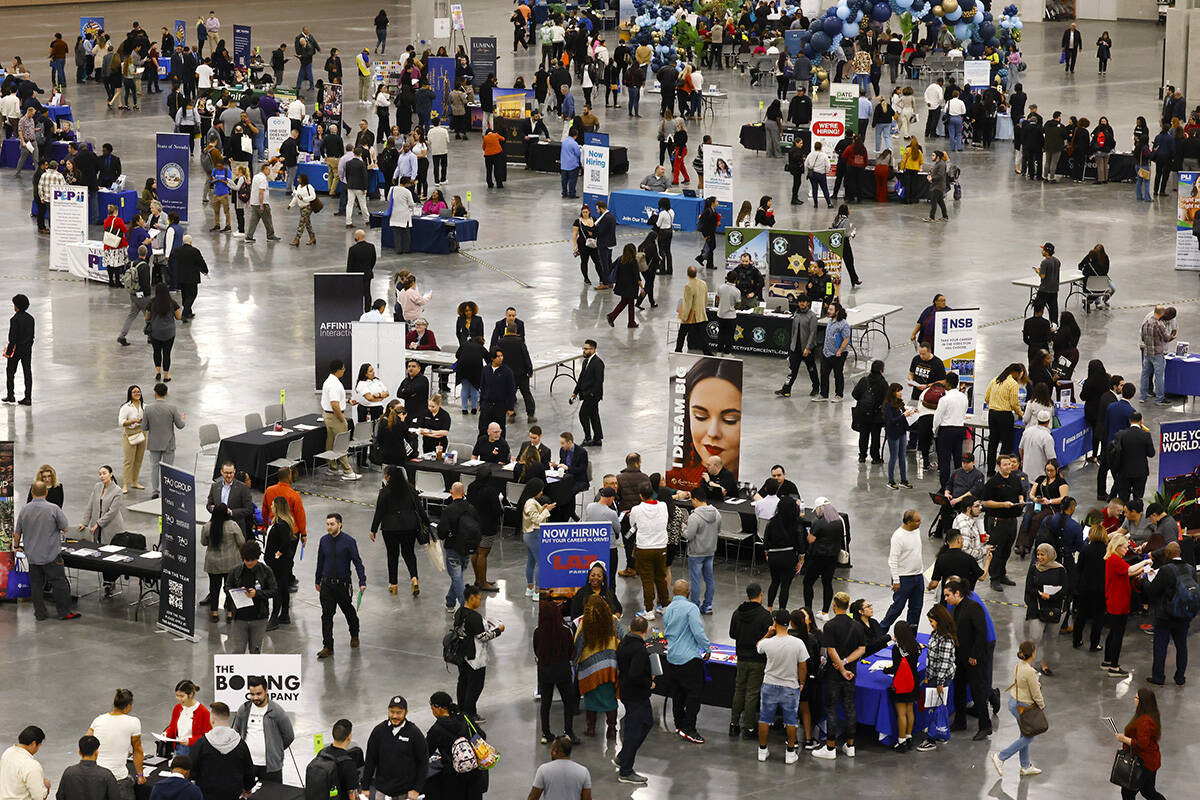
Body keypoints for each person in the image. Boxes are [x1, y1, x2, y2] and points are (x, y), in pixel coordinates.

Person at [13, 481, 77, 621]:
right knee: (59, 584)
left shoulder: (24, 510)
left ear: (31, 492)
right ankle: (64, 612)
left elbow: (17, 533)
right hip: (51, 555)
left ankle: (40, 613)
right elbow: (65, 528)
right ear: (46, 492)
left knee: (36, 585)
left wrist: (16, 546)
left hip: (32, 556)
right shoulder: (53, 509)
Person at [813, 592, 865, 760]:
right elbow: (862, 649)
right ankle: (850, 746)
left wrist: (841, 667)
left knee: (831, 709)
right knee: (850, 707)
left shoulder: (830, 626)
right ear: (848, 606)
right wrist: (846, 662)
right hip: (851, 672)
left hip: (834, 675)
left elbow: (830, 649)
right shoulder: (857, 626)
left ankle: (830, 747)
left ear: (834, 605)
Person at [754, 608, 809, 764]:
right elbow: (802, 666)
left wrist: (768, 633)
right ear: (789, 623)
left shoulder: (768, 643)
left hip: (769, 685)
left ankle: (762, 751)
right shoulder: (798, 643)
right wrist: (802, 682)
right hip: (790, 686)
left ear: (775, 622)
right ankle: (790, 753)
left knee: (765, 719)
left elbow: (758, 646)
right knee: (791, 720)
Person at [662, 579, 711, 743]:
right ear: (688, 592)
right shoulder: (691, 608)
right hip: (689, 659)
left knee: (677, 693)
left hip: (672, 657)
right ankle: (689, 728)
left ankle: (679, 724)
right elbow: (697, 631)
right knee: (693, 695)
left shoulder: (667, 609)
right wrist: (707, 648)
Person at [944, 578, 992, 740]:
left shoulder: (973, 607)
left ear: (957, 593)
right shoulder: (955, 608)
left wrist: (974, 655)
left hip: (973, 659)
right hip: (960, 658)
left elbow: (981, 633)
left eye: (947, 595)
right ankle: (960, 721)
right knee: (958, 689)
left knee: (978, 692)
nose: (946, 599)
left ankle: (985, 726)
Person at [990, 640, 1045, 777]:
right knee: (1029, 737)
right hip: (1024, 707)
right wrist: (1042, 706)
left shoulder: (1019, 666)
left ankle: (1025, 766)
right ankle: (1001, 757)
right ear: (1032, 654)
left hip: (1014, 702)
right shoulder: (1030, 672)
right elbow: (1035, 693)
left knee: (1024, 733)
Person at [315, 513, 366, 659]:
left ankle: (354, 634)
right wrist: (317, 580)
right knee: (326, 615)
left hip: (342, 585)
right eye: (327, 524)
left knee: (349, 612)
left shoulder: (349, 541)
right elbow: (320, 561)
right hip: (327, 585)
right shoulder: (323, 541)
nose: (329, 527)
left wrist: (362, 581)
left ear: (340, 524)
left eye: (332, 524)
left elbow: (357, 562)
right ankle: (327, 646)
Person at [361, 695, 427, 800]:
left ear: (406, 712)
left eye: (399, 712)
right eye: (392, 712)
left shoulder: (414, 733)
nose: (395, 716)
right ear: (388, 710)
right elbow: (370, 760)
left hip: (405, 792)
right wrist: (365, 787)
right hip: (382, 791)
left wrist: (416, 789)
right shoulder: (378, 731)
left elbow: (423, 762)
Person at [729, 582, 773, 738]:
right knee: (752, 693)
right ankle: (749, 727)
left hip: (741, 657)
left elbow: (732, 634)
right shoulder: (765, 616)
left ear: (747, 595)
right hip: (758, 660)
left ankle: (733, 724)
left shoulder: (737, 613)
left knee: (739, 689)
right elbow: (769, 640)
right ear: (761, 595)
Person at [424, 692, 487, 800]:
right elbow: (482, 736)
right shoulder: (465, 718)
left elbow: (425, 753)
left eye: (432, 709)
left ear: (438, 707)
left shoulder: (436, 729)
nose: (433, 712)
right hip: (474, 772)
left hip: (453, 777)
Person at [231, 677, 294, 784]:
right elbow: (236, 733)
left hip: (271, 768)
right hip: (248, 764)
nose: (255, 697)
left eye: (259, 694)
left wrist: (275, 749)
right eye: (252, 694)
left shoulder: (277, 712)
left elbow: (289, 736)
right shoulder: (244, 709)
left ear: (266, 691)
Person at [454, 584, 503, 719]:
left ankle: (462, 709)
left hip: (462, 655)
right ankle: (470, 714)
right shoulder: (474, 617)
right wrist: (499, 630)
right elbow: (483, 637)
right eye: (478, 598)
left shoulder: (459, 612)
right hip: (475, 658)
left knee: (463, 683)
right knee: (475, 687)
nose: (480, 601)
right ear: (471, 598)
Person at [534, 596, 578, 744]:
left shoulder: (538, 631)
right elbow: (571, 651)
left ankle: (545, 734)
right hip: (562, 671)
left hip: (545, 671)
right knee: (568, 701)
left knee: (546, 703)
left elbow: (536, 650)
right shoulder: (566, 631)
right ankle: (568, 732)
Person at [915, 604, 958, 751]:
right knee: (934, 706)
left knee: (936, 707)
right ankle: (935, 732)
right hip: (934, 677)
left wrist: (939, 683)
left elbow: (944, 663)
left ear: (939, 621)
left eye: (932, 622)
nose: (930, 625)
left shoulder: (946, 639)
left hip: (941, 679)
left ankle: (932, 738)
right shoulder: (936, 634)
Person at [190, 702, 254, 800]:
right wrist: (248, 789)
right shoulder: (241, 744)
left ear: (212, 719)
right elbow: (249, 771)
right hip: (233, 794)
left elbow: (191, 768)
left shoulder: (202, 743)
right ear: (228, 718)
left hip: (206, 794)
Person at [87, 689, 143, 800]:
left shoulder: (98, 720)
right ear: (128, 705)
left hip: (96, 777)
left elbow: (86, 743)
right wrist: (140, 775)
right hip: (119, 780)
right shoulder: (133, 722)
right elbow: (137, 750)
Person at [982, 453, 1025, 590]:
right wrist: (1002, 505)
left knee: (1007, 549)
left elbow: (1020, 492)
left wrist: (1020, 500)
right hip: (997, 521)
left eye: (1010, 464)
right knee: (996, 550)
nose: (1009, 466)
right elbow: (986, 502)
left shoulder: (1015, 479)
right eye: (1005, 464)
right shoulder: (993, 482)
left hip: (1012, 521)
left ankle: (1002, 574)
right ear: (999, 466)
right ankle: (994, 578)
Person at [225, 541, 276, 654]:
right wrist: (237, 592)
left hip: (259, 618)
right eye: (246, 560)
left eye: (252, 560)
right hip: (239, 617)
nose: (249, 563)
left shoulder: (266, 571)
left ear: (257, 558)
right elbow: (227, 587)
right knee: (238, 650)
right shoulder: (235, 571)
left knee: (255, 650)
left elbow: (274, 590)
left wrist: (257, 594)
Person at [1114, 689, 1165, 800]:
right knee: (1148, 791)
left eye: (1136, 698)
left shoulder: (1144, 721)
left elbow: (1142, 744)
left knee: (1128, 793)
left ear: (1142, 701)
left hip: (1142, 763)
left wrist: (1124, 739)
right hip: (1151, 761)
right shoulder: (1151, 713)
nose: (1134, 699)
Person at [879, 510, 926, 631]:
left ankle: (911, 636)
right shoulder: (898, 536)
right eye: (917, 521)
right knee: (897, 608)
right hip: (904, 578)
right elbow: (892, 560)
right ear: (909, 522)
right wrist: (896, 580)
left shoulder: (916, 530)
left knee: (916, 608)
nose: (920, 523)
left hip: (918, 576)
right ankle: (880, 631)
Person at [629, 485, 669, 617]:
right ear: (653, 494)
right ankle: (664, 606)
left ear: (641, 495)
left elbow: (632, 524)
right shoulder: (663, 506)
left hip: (644, 547)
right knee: (661, 578)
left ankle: (649, 610)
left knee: (647, 580)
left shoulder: (636, 509)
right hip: (661, 546)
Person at [682, 485, 720, 613]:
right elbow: (718, 530)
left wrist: (683, 528)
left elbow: (689, 535)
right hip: (710, 551)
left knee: (696, 580)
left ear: (696, 499)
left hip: (696, 553)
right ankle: (708, 605)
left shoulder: (694, 517)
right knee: (709, 579)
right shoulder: (717, 513)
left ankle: (694, 606)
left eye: (692, 500)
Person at [777, 297, 821, 398]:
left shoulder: (812, 316)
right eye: (800, 302)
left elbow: (813, 334)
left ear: (808, 303)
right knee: (792, 370)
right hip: (795, 348)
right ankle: (786, 390)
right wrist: (792, 345)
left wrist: (808, 348)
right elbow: (793, 331)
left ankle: (816, 387)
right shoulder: (796, 314)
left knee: (811, 369)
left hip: (807, 349)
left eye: (804, 302)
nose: (801, 304)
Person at [56, 735, 121, 800]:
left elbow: (60, 796)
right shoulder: (106, 775)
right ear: (96, 753)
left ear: (79, 752)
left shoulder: (69, 772)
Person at [1111, 413, 1156, 502]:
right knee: (1138, 498)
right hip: (1140, 472)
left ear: (1130, 421)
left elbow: (1115, 452)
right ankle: (1136, 514)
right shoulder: (1146, 435)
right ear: (1141, 421)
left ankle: (1122, 515)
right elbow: (1151, 454)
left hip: (1124, 472)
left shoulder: (1121, 434)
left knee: (1123, 498)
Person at [2, 727, 49, 800]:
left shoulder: (7, 753)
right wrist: (46, 787)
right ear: (33, 744)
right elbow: (39, 797)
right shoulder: (32, 765)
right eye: (39, 745)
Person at [4, 294, 34, 405]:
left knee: (10, 372)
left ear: (17, 306)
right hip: (27, 349)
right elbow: (32, 336)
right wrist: (29, 346)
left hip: (16, 350)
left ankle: (10, 395)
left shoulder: (14, 319)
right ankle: (28, 397)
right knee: (27, 372)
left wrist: (8, 352)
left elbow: (12, 338)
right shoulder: (31, 318)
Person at [818, 302, 850, 401]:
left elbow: (846, 338)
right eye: (829, 309)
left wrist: (840, 350)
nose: (829, 311)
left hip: (838, 354)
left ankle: (839, 395)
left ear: (837, 311)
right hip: (827, 352)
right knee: (824, 373)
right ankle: (823, 394)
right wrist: (824, 347)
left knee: (838, 374)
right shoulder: (830, 321)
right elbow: (828, 336)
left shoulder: (844, 324)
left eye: (831, 310)